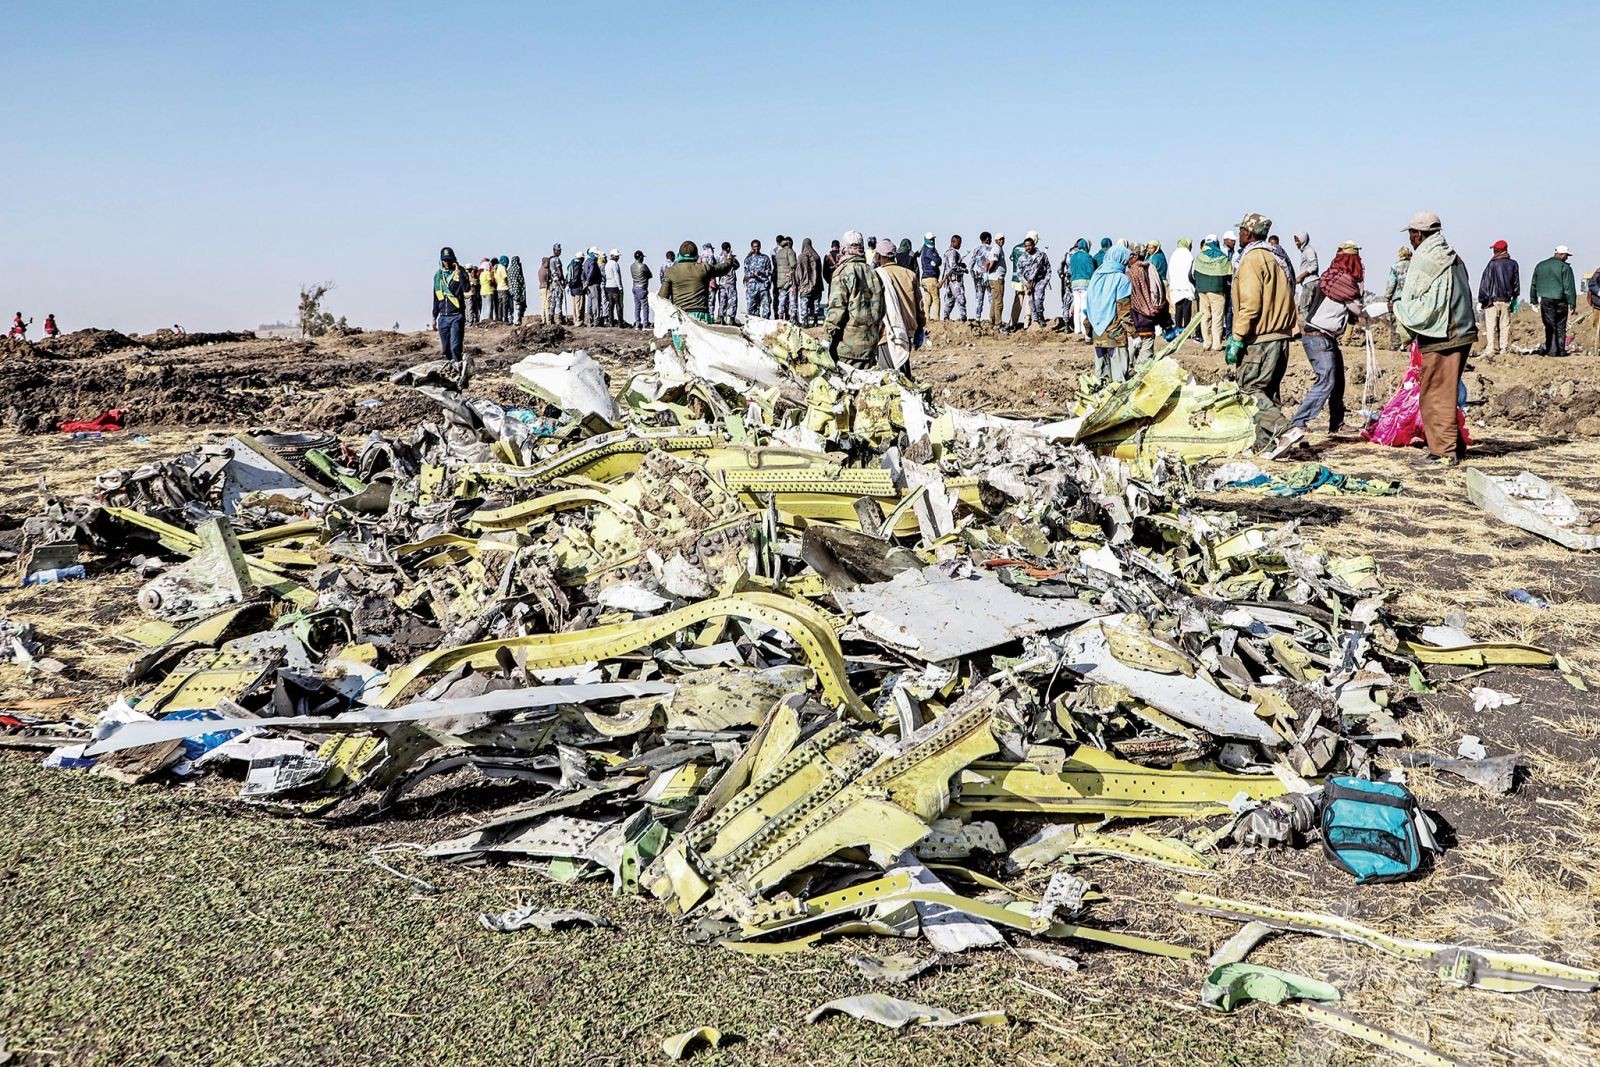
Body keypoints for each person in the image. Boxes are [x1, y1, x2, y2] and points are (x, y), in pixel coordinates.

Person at [1394, 211, 1478, 464]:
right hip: (1462, 330)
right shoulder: (1451, 255)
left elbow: (1416, 303)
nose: (1410, 239)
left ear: (1419, 234)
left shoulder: (1425, 258)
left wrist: (1398, 312)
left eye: (1411, 234)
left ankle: (1443, 452)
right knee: (1446, 390)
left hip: (1443, 334)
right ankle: (1454, 445)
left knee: (1435, 394)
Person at [1227, 213, 1299, 454]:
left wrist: (1237, 337)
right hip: (1281, 338)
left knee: (1249, 390)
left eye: (1241, 232)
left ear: (1248, 233)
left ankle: (1284, 429)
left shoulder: (1252, 259)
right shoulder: (1277, 257)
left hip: (1261, 338)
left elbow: (1251, 303)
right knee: (1267, 392)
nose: (1239, 236)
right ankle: (1263, 445)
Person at [1291, 255, 1363, 440]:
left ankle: (1336, 424)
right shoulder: (1344, 285)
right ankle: (1298, 422)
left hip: (1324, 338)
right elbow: (1358, 310)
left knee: (1338, 380)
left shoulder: (1330, 279)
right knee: (1326, 380)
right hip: (1319, 338)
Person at [824, 230, 886, 366]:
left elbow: (836, 310)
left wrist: (826, 338)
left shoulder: (842, 273)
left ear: (844, 249)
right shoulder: (873, 273)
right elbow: (882, 309)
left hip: (847, 349)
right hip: (870, 345)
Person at [875, 235, 925, 370]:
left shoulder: (877, 276)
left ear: (879, 256)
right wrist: (920, 328)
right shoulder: (909, 275)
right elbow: (920, 306)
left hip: (887, 333)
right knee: (904, 372)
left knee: (890, 378)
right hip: (907, 333)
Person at [657, 239, 739, 322]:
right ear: (696, 254)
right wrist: (729, 260)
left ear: (679, 255)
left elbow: (662, 297)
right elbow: (722, 269)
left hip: (680, 317)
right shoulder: (703, 268)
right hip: (701, 316)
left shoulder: (671, 272)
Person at [1086, 245, 1135, 382]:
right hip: (1115, 334)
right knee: (1118, 378)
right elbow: (1123, 311)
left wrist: (1088, 330)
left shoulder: (1096, 277)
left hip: (1098, 333)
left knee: (1102, 376)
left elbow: (1087, 307)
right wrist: (1133, 334)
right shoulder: (1121, 279)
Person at [1529, 245, 1578, 356]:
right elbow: (1569, 287)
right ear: (1561, 254)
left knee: (1550, 325)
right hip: (1561, 300)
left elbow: (1534, 284)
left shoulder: (1541, 266)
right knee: (1561, 325)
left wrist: (1534, 300)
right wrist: (1572, 303)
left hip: (1546, 300)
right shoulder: (1565, 268)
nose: (1567, 258)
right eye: (1566, 255)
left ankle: (1552, 350)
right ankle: (1560, 350)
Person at [430, 246, 470, 374]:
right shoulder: (438, 276)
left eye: (448, 260)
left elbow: (466, 288)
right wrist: (434, 316)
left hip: (456, 316)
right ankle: (452, 367)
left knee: (455, 347)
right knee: (445, 349)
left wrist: (460, 275)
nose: (446, 262)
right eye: (444, 260)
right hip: (443, 316)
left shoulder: (460, 272)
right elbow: (436, 297)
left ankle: (458, 371)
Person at [1477, 240, 1519, 356]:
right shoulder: (1513, 264)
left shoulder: (1492, 264)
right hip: (1506, 299)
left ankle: (1490, 349)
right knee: (1504, 325)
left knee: (1491, 325)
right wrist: (1515, 297)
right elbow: (1516, 283)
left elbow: (1485, 283)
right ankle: (1503, 349)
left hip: (1491, 300)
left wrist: (1481, 300)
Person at [1194, 235, 1231, 351]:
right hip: (1217, 290)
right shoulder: (1222, 258)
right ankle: (1216, 344)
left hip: (1202, 291)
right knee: (1217, 317)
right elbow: (1229, 274)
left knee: (1205, 317)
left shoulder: (1199, 257)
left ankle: (1206, 342)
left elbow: (1192, 274)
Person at [1127, 248, 1165, 362]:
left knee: (1126, 364)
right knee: (1144, 364)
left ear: (1135, 256)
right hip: (1148, 323)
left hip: (1133, 326)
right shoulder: (1150, 270)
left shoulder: (1131, 274)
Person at [1016, 234, 1051, 328]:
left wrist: (1045, 281)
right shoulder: (1022, 258)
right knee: (1031, 302)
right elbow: (1019, 273)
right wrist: (1026, 283)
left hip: (1040, 281)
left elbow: (1048, 268)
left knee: (1038, 299)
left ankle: (1040, 316)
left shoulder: (1041, 255)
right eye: (1026, 246)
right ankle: (1035, 320)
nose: (1028, 248)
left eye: (1030, 245)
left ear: (1033, 245)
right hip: (1028, 283)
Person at [1167, 238, 1196, 335]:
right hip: (1186, 285)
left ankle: (1178, 328)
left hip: (1176, 285)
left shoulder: (1174, 254)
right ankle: (1186, 331)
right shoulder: (1188, 255)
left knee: (1178, 308)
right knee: (1187, 308)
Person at [795, 238, 824, 327]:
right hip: (817, 285)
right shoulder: (817, 257)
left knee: (804, 303)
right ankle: (815, 321)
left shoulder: (800, 257)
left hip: (805, 286)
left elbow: (798, 273)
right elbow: (820, 272)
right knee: (816, 304)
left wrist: (798, 283)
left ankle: (805, 321)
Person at [1292, 232, 1320, 322]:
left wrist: (1301, 277)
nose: (1296, 243)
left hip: (1310, 282)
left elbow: (1314, 265)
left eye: (1298, 241)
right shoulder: (1305, 251)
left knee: (1303, 308)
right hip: (1311, 282)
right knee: (1311, 309)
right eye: (1295, 241)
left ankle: (1309, 329)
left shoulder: (1308, 251)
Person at [914, 233, 941, 322]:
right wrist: (937, 257)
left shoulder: (924, 249)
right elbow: (938, 261)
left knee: (928, 298)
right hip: (931, 277)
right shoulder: (930, 250)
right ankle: (936, 318)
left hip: (925, 278)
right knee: (936, 298)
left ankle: (927, 317)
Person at [743, 239, 773, 318]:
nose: (756, 248)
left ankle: (765, 322)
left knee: (766, 305)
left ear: (760, 247)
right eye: (754, 247)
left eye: (757, 246)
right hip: (752, 286)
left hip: (763, 285)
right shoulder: (748, 260)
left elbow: (770, 271)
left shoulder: (765, 258)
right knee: (751, 307)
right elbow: (746, 273)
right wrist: (752, 274)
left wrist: (762, 272)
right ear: (752, 247)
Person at [772, 236, 799, 323]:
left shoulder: (778, 252)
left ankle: (780, 317)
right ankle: (793, 319)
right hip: (790, 280)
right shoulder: (790, 251)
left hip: (780, 281)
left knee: (782, 300)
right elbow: (793, 264)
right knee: (792, 301)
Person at [984, 233, 1008, 325]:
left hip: (994, 278)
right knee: (999, 301)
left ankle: (992, 319)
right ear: (996, 240)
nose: (1002, 241)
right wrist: (988, 271)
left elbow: (987, 262)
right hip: (997, 278)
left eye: (1003, 239)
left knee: (995, 300)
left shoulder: (997, 249)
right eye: (1000, 239)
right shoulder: (996, 249)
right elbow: (992, 262)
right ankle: (998, 322)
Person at [630, 250, 653, 330]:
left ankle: (637, 323)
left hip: (634, 287)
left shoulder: (632, 266)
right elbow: (650, 275)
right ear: (640, 257)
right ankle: (645, 325)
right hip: (642, 287)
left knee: (637, 306)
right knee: (645, 306)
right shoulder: (643, 266)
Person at [544, 244, 567, 325]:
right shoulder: (557, 260)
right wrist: (563, 280)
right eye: (559, 250)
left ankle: (551, 318)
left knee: (553, 300)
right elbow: (559, 271)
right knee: (558, 300)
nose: (560, 252)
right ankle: (559, 319)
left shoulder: (550, 259)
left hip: (553, 283)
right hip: (557, 282)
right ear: (555, 250)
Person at [583, 248, 605, 327]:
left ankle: (590, 320)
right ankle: (596, 320)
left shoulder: (586, 262)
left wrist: (585, 282)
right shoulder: (593, 262)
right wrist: (588, 281)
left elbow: (583, 274)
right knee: (596, 303)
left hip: (588, 286)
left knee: (590, 303)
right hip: (594, 284)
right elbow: (591, 272)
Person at [603, 249, 625, 326]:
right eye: (617, 256)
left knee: (611, 305)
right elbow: (617, 276)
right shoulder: (615, 264)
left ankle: (611, 322)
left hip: (608, 286)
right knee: (619, 305)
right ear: (613, 256)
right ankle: (620, 322)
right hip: (615, 286)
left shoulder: (607, 264)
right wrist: (620, 287)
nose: (618, 258)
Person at [567, 250, 587, 326]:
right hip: (578, 288)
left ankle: (575, 320)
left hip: (572, 288)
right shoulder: (578, 265)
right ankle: (579, 321)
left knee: (574, 305)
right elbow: (577, 277)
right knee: (579, 305)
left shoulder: (571, 264)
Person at [505, 256, 526, 325]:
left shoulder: (509, 270)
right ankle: (516, 321)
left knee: (511, 307)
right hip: (517, 291)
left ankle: (511, 320)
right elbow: (521, 280)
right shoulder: (517, 269)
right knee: (517, 306)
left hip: (510, 290)